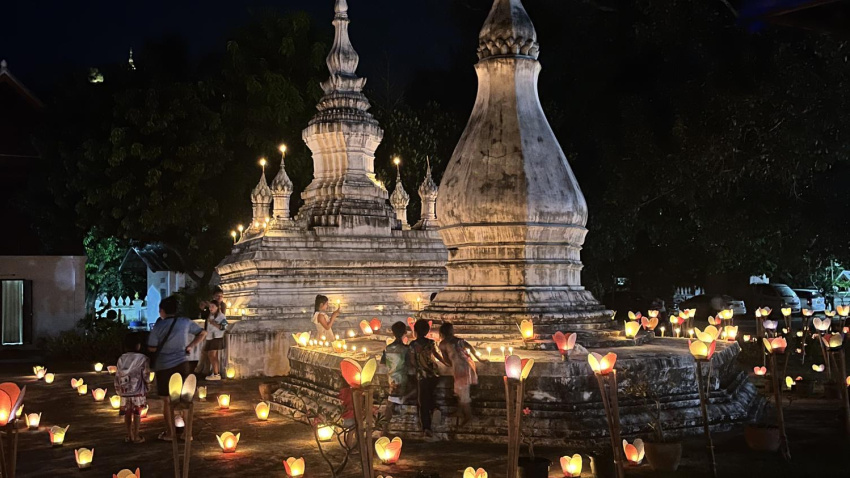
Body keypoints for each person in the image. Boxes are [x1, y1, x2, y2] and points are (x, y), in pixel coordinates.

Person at [147, 295, 206, 442]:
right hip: (182, 364)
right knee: (185, 399)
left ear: (162, 311)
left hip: (164, 367)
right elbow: (203, 333)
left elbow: (152, 348)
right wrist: (191, 346)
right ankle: (188, 434)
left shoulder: (158, 326)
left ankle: (170, 433)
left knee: (167, 400)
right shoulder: (185, 322)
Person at [438, 322, 484, 427]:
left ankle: (468, 415)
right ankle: (459, 411)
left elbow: (447, 361)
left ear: (441, 333)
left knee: (464, 395)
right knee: (459, 391)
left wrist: (446, 361)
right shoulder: (459, 340)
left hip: (460, 370)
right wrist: (480, 359)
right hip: (468, 366)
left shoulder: (443, 344)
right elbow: (471, 348)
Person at [409, 318, 447, 438]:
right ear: (427, 331)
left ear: (415, 331)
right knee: (430, 395)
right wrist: (446, 363)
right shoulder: (431, 342)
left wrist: (418, 368)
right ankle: (435, 408)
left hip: (422, 375)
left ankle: (426, 427)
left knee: (422, 402)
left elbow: (412, 361)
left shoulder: (413, 345)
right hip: (434, 373)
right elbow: (436, 355)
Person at [115, 332, 150, 444]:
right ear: (138, 345)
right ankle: (136, 435)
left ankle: (129, 435)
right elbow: (146, 374)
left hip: (124, 391)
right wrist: (148, 385)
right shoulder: (143, 358)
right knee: (137, 413)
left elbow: (118, 374)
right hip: (138, 391)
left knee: (127, 413)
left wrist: (118, 389)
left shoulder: (121, 358)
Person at [380, 321, 410, 435]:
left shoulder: (388, 348)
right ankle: (384, 428)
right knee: (392, 402)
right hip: (402, 378)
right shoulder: (405, 349)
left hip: (392, 378)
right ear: (405, 333)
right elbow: (410, 363)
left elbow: (383, 362)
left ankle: (384, 427)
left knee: (391, 401)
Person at [204, 300, 227, 380]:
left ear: (217, 307)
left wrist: (214, 323)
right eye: (210, 306)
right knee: (213, 355)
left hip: (217, 337)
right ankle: (215, 372)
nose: (211, 308)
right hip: (210, 337)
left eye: (213, 306)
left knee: (212, 354)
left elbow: (224, 327)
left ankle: (216, 374)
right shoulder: (210, 315)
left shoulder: (222, 316)